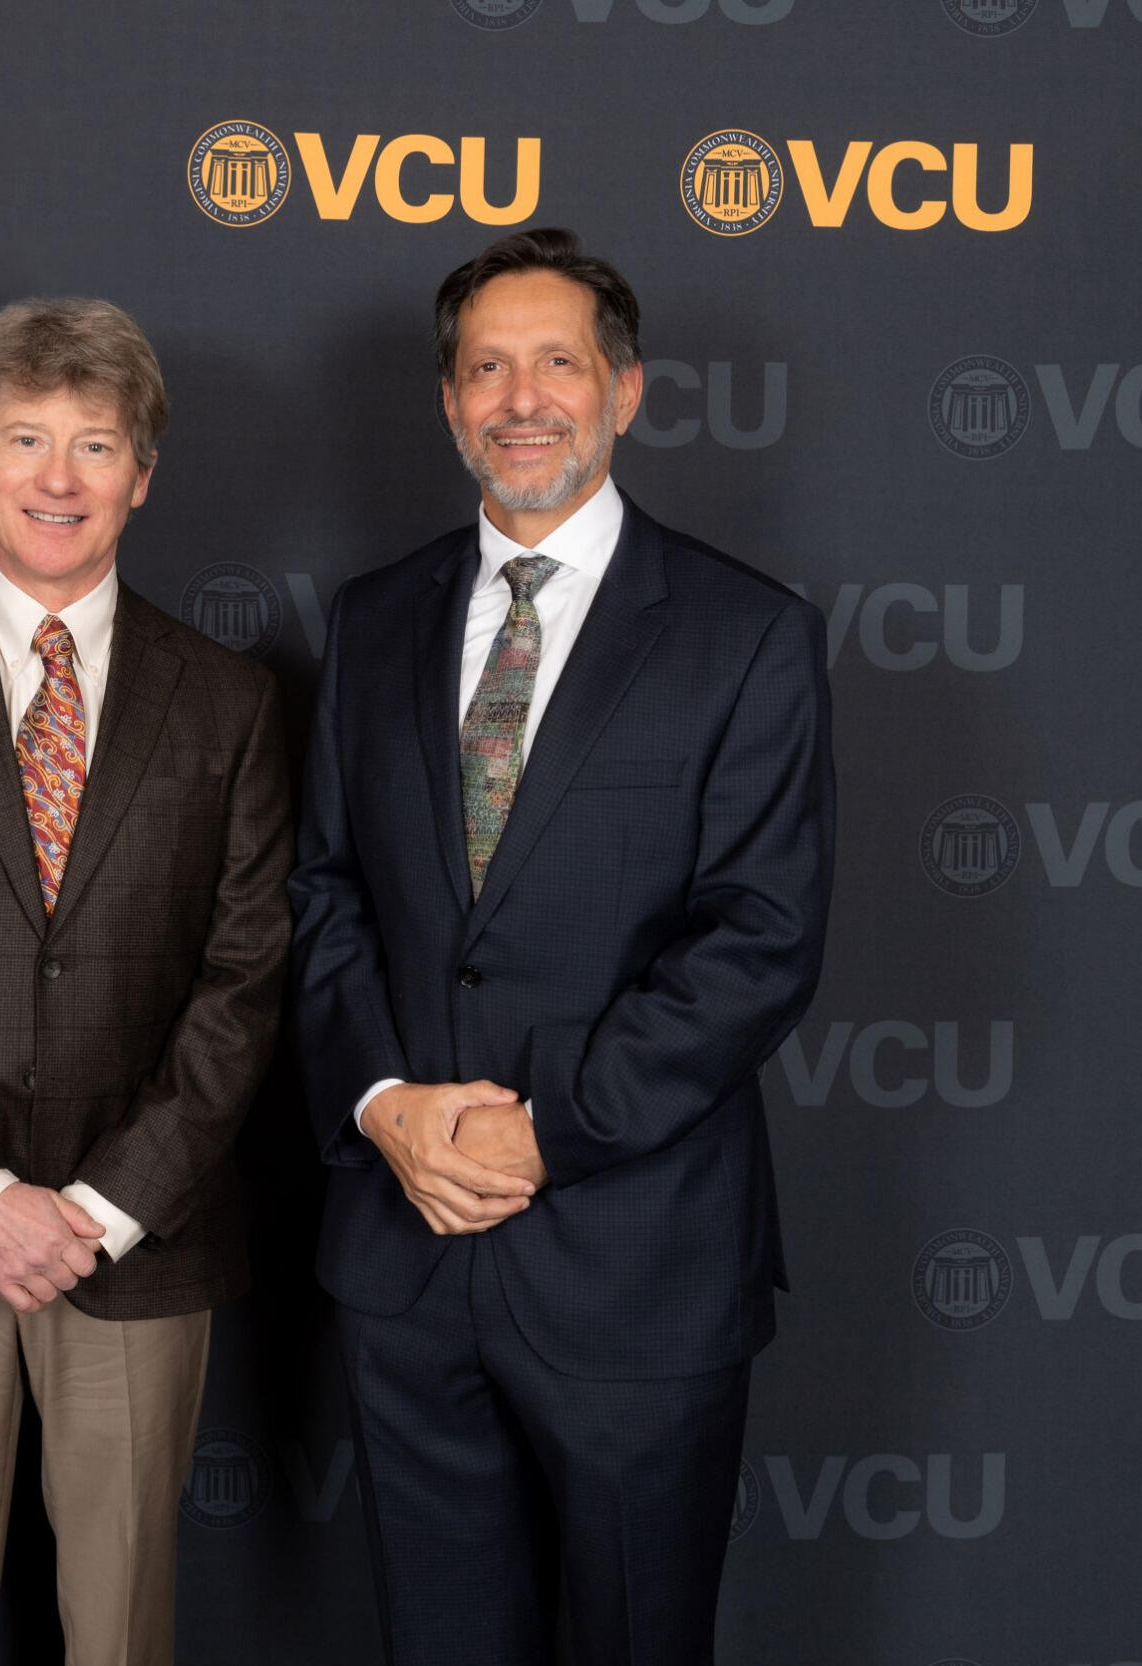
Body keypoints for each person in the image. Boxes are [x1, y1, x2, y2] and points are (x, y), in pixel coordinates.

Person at [289, 227, 835, 1665]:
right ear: (448, 401)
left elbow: (759, 938)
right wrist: (382, 1104)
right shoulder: (372, 619)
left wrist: (549, 1132)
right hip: (407, 1261)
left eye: (557, 362)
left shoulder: (745, 634)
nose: (520, 397)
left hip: (634, 1262)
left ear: (626, 390)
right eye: (486, 366)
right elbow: (324, 891)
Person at [0, 297, 291, 1666]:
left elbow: (246, 976)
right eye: (27, 438)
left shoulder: (232, 702)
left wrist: (103, 1203)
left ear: (143, 473)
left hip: (139, 1244)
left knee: (125, 1632)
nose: (59, 478)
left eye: (95, 444)